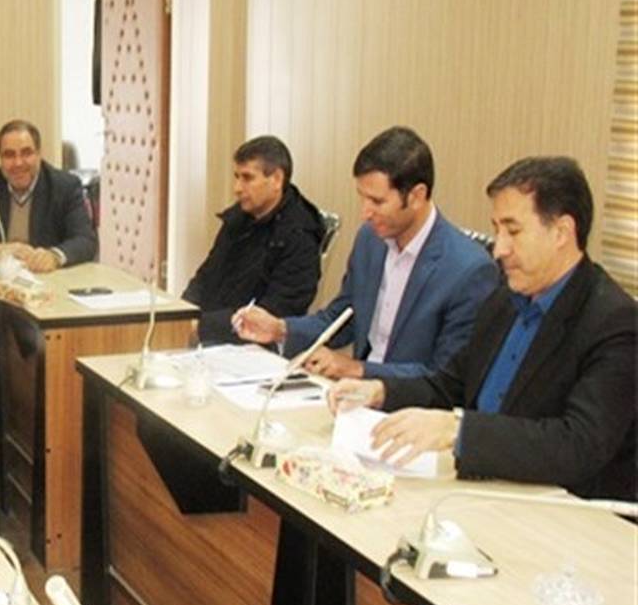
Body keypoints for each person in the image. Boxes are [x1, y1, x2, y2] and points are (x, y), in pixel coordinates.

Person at [329, 156, 635, 500]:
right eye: (497, 230)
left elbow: (577, 445)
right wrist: (381, 391)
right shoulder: (504, 299)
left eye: (513, 231)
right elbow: (452, 384)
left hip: (560, 509)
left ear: (562, 232)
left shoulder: (614, 323)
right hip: (481, 489)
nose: (499, 248)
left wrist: (458, 430)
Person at [236, 126, 498, 378]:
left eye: (377, 201)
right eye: (362, 197)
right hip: (354, 394)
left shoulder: (469, 270)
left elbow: (445, 377)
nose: (365, 213)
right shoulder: (370, 240)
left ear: (417, 196)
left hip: (408, 403)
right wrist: (281, 329)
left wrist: (356, 370)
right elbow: (342, 318)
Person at [182, 136, 324, 344]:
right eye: (237, 177)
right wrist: (182, 312)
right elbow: (206, 276)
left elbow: (276, 312)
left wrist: (201, 327)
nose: (237, 188)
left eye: (247, 178)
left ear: (276, 179)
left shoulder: (300, 235)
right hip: (211, 330)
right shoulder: (239, 218)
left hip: (250, 343)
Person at [0, 119, 97, 272]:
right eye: (9, 155)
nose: (18, 163)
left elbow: (86, 240)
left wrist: (54, 256)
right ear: (0, 158)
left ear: (39, 154)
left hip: (48, 283)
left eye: (26, 153)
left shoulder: (64, 186)